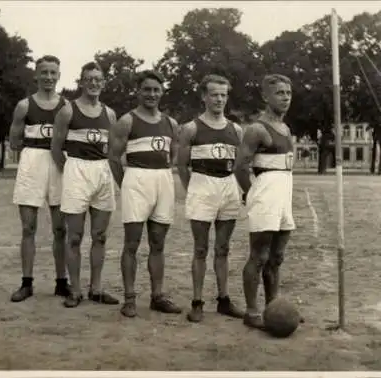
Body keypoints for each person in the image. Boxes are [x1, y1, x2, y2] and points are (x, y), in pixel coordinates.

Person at [108, 70, 183, 318]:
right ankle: (129, 298)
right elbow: (113, 158)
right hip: (136, 179)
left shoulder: (171, 123)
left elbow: (173, 155)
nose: (151, 94)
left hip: (162, 179)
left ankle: (157, 296)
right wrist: (126, 184)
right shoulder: (127, 121)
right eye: (147, 89)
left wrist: (163, 175)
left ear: (162, 92)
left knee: (158, 243)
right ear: (138, 92)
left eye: (156, 90)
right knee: (132, 243)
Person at [51, 62, 120, 308]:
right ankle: (76, 290)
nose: (93, 83)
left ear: (103, 82)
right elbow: (56, 149)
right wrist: (71, 172)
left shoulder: (109, 114)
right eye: (89, 78)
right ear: (81, 81)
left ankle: (96, 289)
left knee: (100, 235)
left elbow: (112, 149)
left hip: (102, 172)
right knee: (75, 236)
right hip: (76, 171)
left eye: (98, 79)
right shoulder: (68, 111)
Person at [177, 74, 245, 323]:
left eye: (223, 95)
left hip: (227, 186)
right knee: (201, 248)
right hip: (202, 184)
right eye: (214, 94)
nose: (219, 99)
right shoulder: (191, 128)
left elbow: (239, 164)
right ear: (204, 96)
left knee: (223, 248)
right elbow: (182, 167)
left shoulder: (236, 129)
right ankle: (197, 301)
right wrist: (194, 189)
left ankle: (224, 300)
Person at [233, 74, 297, 329]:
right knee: (259, 256)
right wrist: (251, 193)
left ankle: (274, 308)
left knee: (277, 257)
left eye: (288, 93)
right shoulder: (257, 129)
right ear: (266, 97)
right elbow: (240, 167)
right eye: (280, 93)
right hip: (265, 195)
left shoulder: (286, 128)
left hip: (284, 195)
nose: (285, 98)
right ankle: (251, 311)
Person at [9, 55, 70, 302]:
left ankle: (61, 282)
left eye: (53, 73)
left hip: (58, 163)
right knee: (28, 227)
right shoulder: (24, 106)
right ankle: (27, 283)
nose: (48, 77)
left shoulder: (66, 107)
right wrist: (33, 151)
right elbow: (14, 140)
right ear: (36, 75)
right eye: (43, 72)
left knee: (60, 228)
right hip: (32, 161)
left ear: (59, 76)